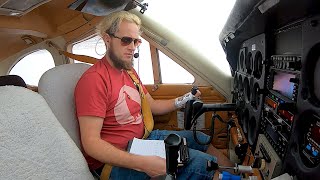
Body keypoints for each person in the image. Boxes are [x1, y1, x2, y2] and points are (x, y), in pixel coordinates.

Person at [74, 11, 232, 180]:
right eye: (126, 40)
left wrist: (185, 99)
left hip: (143, 140)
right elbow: (91, 144)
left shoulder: (129, 72)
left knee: (200, 139)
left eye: (136, 41)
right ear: (107, 39)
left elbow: (151, 105)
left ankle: (243, 174)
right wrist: (142, 163)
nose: (132, 47)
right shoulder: (94, 80)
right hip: (114, 161)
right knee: (201, 164)